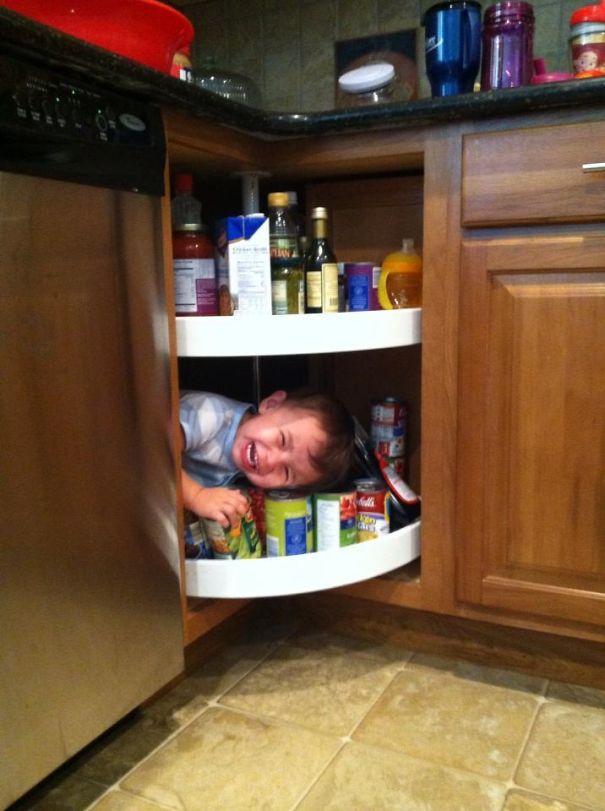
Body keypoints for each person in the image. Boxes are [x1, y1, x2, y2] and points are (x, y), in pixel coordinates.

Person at [180, 388, 356, 528]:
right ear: (271, 404)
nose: (271, 460)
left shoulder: (244, 473)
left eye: (286, 472)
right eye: (282, 440)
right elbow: (155, 449)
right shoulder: (210, 414)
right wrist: (196, 496)